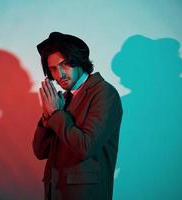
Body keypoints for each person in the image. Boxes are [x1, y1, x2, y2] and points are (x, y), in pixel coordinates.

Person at [32, 32, 123, 200]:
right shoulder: (62, 98)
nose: (60, 75)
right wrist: (47, 117)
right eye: (53, 69)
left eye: (65, 64)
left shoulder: (104, 93)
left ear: (79, 61)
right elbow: (40, 151)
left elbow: (86, 147)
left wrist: (56, 114)